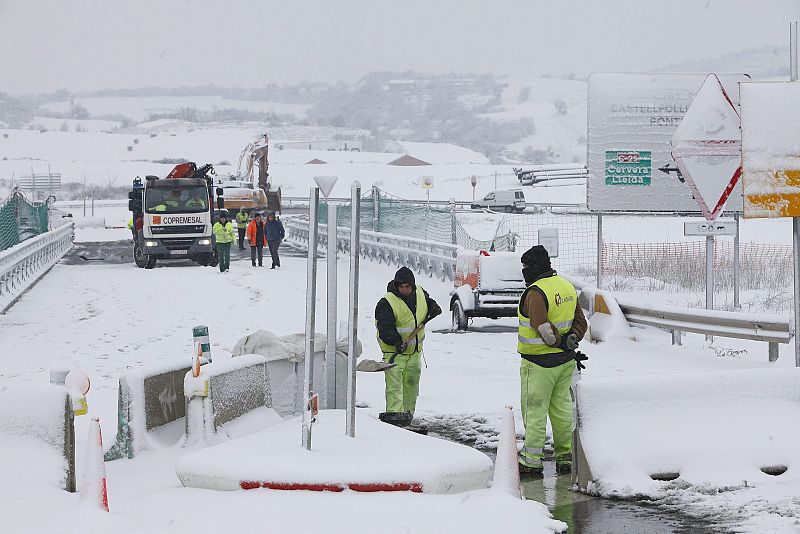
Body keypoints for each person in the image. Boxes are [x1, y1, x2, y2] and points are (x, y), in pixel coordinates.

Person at [516, 245, 588, 476]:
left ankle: (531, 460)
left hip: (538, 364)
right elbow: (580, 322)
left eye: (526, 267)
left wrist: (557, 341)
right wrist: (570, 340)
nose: (524, 271)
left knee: (535, 411)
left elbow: (543, 329)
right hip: (565, 362)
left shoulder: (536, 292)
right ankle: (565, 456)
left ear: (534, 267)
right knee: (562, 410)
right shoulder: (566, 286)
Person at [375, 267, 442, 429]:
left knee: (411, 386)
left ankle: (407, 417)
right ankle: (394, 419)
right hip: (394, 354)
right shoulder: (387, 302)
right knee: (395, 388)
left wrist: (434, 307)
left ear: (412, 285)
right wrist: (396, 341)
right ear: (396, 286)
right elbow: (385, 329)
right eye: (401, 287)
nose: (405, 290)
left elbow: (429, 303)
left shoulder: (420, 293)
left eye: (408, 286)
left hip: (414, 353)